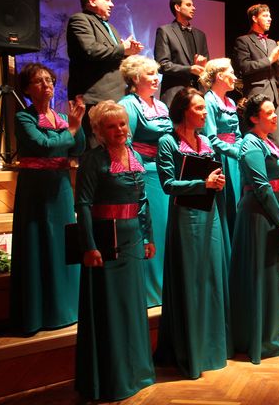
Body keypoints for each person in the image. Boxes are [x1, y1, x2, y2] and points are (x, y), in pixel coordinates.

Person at [74, 100, 155, 401]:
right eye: (111, 126)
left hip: (133, 240)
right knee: (109, 310)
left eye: (122, 124)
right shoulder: (92, 160)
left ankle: (137, 373)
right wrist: (89, 246)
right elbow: (83, 204)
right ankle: (111, 379)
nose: (119, 129)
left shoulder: (135, 155)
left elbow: (143, 201)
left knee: (132, 306)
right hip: (105, 241)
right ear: (98, 131)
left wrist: (148, 237)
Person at [155, 88, 232, 378]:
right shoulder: (167, 142)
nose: (203, 112)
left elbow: (213, 176)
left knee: (210, 277)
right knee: (190, 279)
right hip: (185, 217)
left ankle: (212, 347)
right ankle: (190, 350)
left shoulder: (205, 141)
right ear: (183, 110)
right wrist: (203, 184)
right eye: (198, 108)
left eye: (204, 107)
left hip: (210, 214)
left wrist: (217, 183)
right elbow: (168, 185)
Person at [10, 63, 85, 335]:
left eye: (49, 80)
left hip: (61, 186)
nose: (47, 85)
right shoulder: (24, 118)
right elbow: (43, 146)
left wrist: (77, 127)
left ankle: (67, 308)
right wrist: (71, 131)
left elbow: (78, 148)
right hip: (36, 189)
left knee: (63, 243)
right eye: (39, 81)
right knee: (38, 243)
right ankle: (39, 313)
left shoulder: (62, 118)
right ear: (27, 89)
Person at [231, 94, 279, 364]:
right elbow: (261, 186)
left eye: (274, 111)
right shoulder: (250, 144)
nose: (274, 115)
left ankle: (270, 336)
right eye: (269, 112)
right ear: (254, 118)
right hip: (257, 216)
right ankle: (257, 339)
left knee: (271, 276)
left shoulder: (269, 143)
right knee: (258, 276)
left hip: (273, 214)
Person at [118, 55, 173, 307]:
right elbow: (125, 143)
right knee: (153, 229)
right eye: (149, 74)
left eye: (155, 73)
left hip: (165, 172)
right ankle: (151, 291)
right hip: (146, 174)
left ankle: (167, 287)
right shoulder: (128, 104)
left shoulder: (161, 105)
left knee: (166, 230)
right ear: (134, 78)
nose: (155, 78)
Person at [67, 0, 143, 145]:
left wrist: (129, 52)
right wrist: (122, 49)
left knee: (117, 147)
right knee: (96, 147)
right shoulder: (80, 20)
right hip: (95, 97)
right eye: (107, 0)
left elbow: (112, 56)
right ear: (92, 1)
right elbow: (90, 50)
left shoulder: (111, 27)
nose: (112, 4)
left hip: (116, 96)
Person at [200, 58, 242, 240]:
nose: (235, 77)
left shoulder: (231, 102)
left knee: (237, 202)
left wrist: (241, 149)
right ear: (219, 76)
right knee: (225, 205)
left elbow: (237, 134)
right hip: (220, 159)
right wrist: (236, 152)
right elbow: (211, 139)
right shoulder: (209, 101)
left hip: (234, 159)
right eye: (231, 72)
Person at [234, 3, 279, 146]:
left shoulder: (271, 42)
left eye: (270, 16)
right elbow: (244, 67)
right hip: (256, 94)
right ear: (254, 18)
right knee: (257, 137)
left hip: (273, 95)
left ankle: (275, 160)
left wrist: (278, 55)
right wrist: (269, 59)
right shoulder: (243, 41)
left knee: (274, 140)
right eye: (265, 16)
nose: (270, 19)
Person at [154, 0, 209, 106]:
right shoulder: (165, 31)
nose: (193, 8)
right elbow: (162, 65)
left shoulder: (200, 35)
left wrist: (203, 65)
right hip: (175, 95)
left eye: (193, 5)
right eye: (188, 5)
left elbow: (206, 63)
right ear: (177, 7)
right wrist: (189, 69)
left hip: (198, 94)